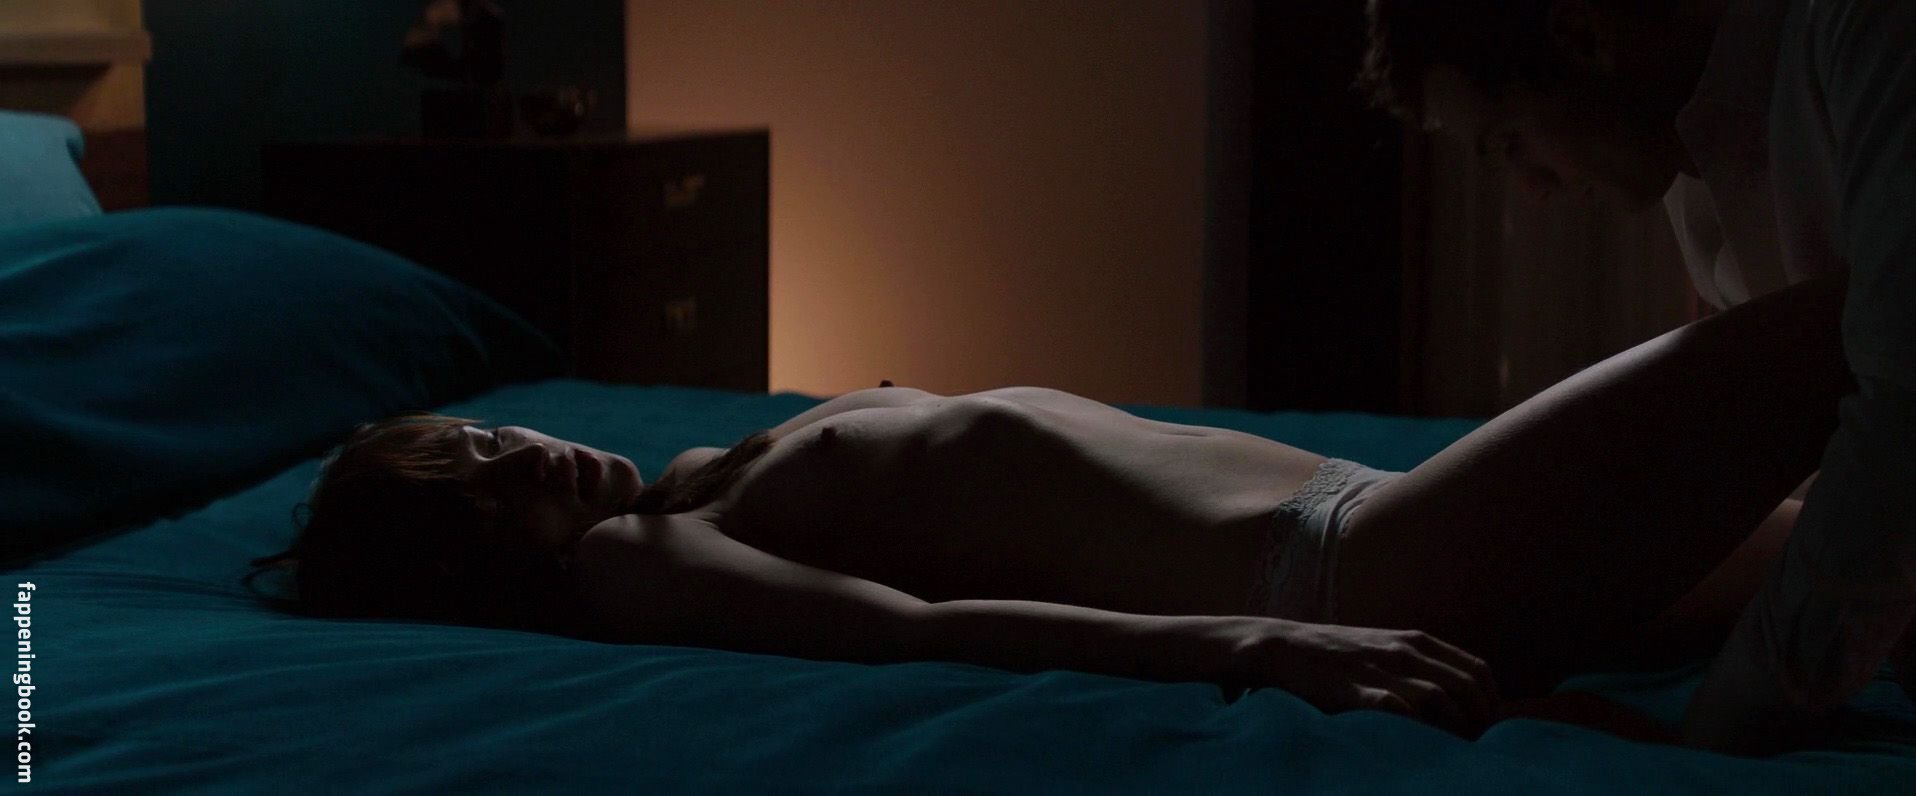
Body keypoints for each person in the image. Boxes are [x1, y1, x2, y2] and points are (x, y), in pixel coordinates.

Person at [247, 272, 1852, 741]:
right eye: (483, 498)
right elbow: (914, 631)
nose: (523, 461)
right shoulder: (633, 557)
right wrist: (1256, 648)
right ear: (477, 572)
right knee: (1831, 333)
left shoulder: (692, 480)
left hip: (1387, 513)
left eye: (487, 438)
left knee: (1876, 538)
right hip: (1354, 567)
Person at [1358, 0, 1916, 753]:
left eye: (1512, 140)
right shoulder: (1702, 161)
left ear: (1581, 31)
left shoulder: (1868, 33)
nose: (1532, 189)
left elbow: (1899, 426)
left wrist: (1713, 732)